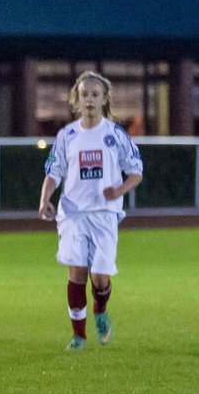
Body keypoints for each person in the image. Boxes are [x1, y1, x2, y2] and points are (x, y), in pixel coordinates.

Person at [38, 71, 143, 351]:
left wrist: (118, 191)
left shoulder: (115, 134)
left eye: (95, 95)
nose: (89, 100)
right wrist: (45, 197)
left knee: (100, 276)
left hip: (105, 214)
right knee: (77, 273)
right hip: (72, 214)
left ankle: (100, 310)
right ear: (77, 99)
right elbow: (53, 171)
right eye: (84, 94)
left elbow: (136, 172)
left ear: (105, 99)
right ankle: (79, 336)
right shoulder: (67, 135)